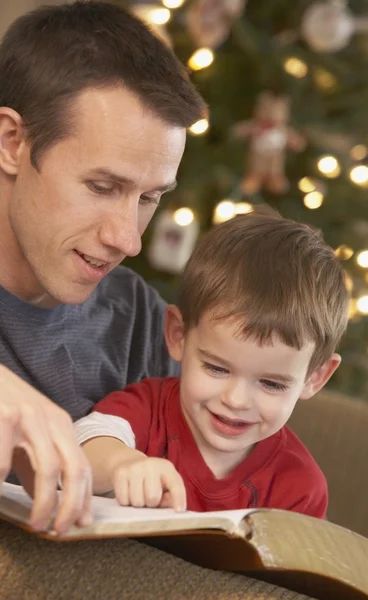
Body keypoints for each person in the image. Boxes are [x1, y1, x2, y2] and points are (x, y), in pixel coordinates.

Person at [0, 0, 206, 534]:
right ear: (12, 143)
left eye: (148, 198)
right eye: (102, 187)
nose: (128, 240)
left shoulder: (140, 318)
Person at [75, 208, 349, 518]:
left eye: (271, 383)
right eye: (217, 368)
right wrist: (121, 463)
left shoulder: (300, 488)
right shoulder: (148, 410)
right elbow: (82, 445)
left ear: (316, 376)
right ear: (179, 335)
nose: (235, 400)